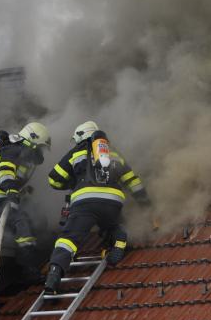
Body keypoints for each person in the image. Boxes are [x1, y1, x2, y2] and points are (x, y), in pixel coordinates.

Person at [44, 121, 148, 292]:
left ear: (80, 137)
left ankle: (54, 275)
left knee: (68, 238)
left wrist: (74, 182)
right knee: (110, 223)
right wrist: (145, 203)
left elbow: (54, 179)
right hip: (113, 202)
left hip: (85, 203)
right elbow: (132, 180)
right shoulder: (113, 153)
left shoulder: (76, 152)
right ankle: (118, 235)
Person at [0, 122, 52, 281]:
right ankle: (29, 270)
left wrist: (20, 191)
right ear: (32, 140)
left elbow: (15, 178)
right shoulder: (13, 149)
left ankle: (40, 256)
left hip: (5, 195)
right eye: (40, 147)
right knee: (21, 221)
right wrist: (11, 191)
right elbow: (5, 171)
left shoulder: (24, 157)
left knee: (38, 217)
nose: (40, 152)